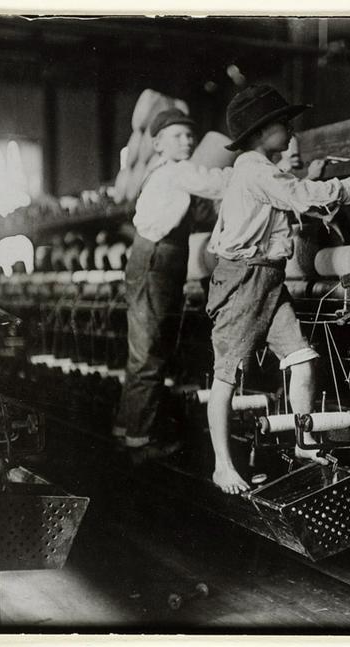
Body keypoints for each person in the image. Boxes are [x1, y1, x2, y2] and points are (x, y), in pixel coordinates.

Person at [206, 85, 350, 494]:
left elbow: (296, 193)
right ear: (257, 133)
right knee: (227, 377)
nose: (291, 132)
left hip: (268, 278)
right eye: (282, 125)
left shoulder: (259, 168)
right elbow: (302, 197)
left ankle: (304, 444)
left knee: (302, 358)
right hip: (243, 279)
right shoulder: (254, 168)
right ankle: (222, 465)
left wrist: (316, 182)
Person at [115, 108, 231, 457]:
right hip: (158, 260)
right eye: (178, 135)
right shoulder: (177, 171)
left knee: (144, 348)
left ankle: (128, 425)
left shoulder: (163, 174)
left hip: (154, 258)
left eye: (189, 135)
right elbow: (218, 183)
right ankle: (142, 438)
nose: (188, 140)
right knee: (150, 351)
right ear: (157, 143)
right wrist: (257, 169)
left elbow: (200, 213)